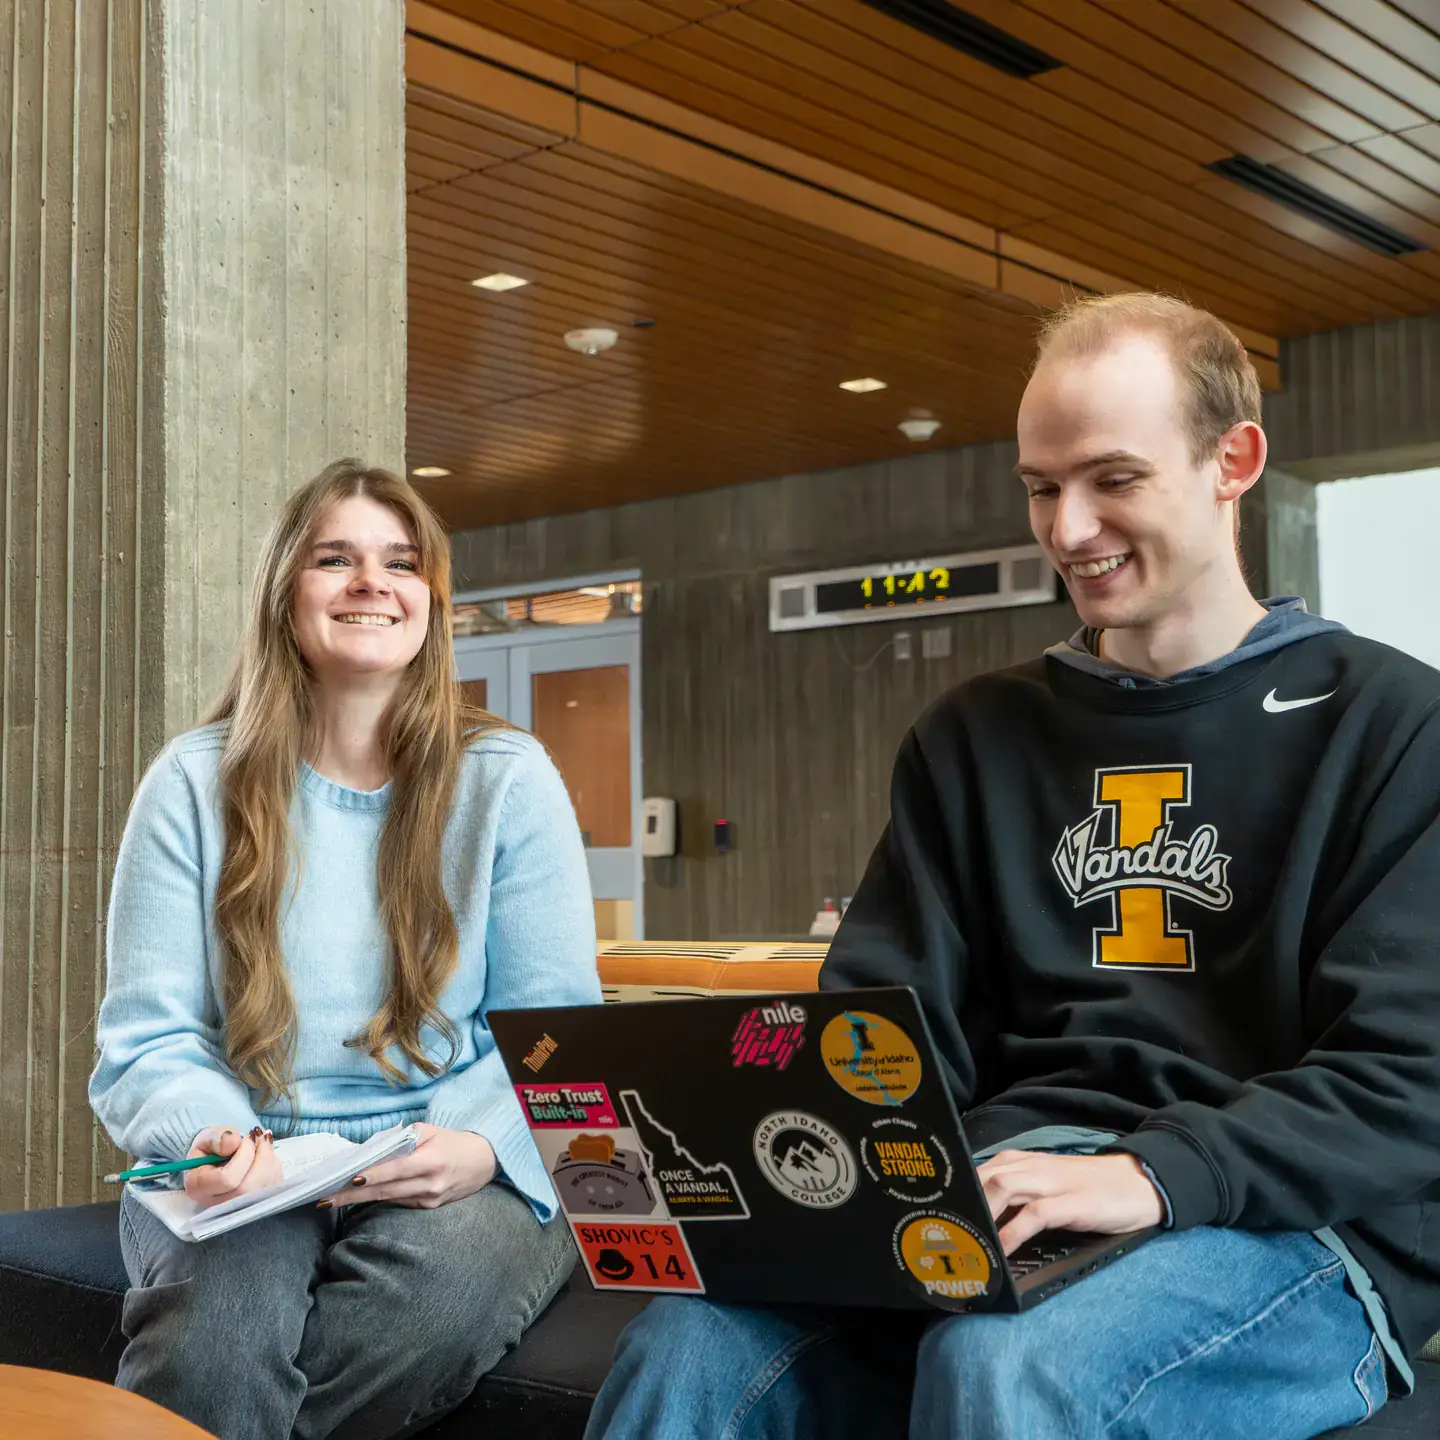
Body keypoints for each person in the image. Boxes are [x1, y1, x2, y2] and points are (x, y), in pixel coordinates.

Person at [587, 293, 1440, 1439]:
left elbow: (1411, 1076)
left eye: (1113, 480)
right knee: (683, 1346)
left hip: (1282, 1225)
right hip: (1006, 1194)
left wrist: (1150, 1177)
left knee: (1008, 1363)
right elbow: (885, 1032)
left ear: (1233, 460)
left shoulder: (1394, 725)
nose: (1068, 528)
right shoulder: (972, 736)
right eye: (1042, 487)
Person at [90, 460, 600, 1440]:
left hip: (449, 1155)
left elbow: (557, 1031)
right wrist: (208, 1135)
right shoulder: (191, 784)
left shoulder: (509, 779)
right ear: (287, 594)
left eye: (400, 562)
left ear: (431, 603)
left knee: (429, 1310)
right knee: (209, 1345)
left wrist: (484, 1142)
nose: (372, 582)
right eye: (336, 558)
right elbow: (146, 1036)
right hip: (250, 1157)